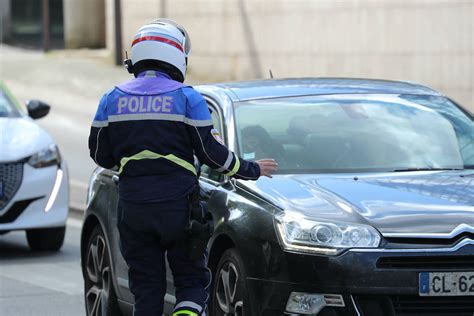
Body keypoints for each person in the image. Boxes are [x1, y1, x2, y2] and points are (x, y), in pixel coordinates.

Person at [88, 19, 278, 316]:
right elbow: (213, 155)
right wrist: (251, 169)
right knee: (190, 282)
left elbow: (99, 154)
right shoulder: (187, 98)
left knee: (146, 288)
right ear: (177, 56)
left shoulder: (112, 99)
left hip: (134, 209)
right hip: (178, 208)